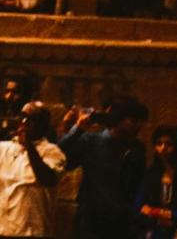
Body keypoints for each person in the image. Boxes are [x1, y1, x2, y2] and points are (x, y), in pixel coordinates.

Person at [62, 95, 150, 239]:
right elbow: (62, 159)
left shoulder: (137, 148)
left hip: (123, 223)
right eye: (133, 121)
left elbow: (138, 183)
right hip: (91, 222)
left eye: (141, 122)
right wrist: (76, 129)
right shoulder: (91, 141)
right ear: (118, 120)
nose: (138, 126)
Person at [0, 103, 66, 239]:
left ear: (43, 125)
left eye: (32, 119)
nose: (25, 123)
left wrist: (28, 144)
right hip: (1, 229)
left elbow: (47, 178)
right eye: (23, 117)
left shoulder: (52, 152)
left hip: (31, 231)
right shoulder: (2, 148)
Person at [136, 124, 177, 239]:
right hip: (154, 230)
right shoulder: (151, 173)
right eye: (159, 144)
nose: (163, 148)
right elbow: (139, 204)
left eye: (168, 144)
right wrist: (150, 212)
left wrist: (170, 214)